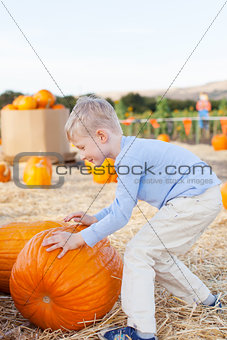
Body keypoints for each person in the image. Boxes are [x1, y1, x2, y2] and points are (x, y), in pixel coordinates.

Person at [42, 96, 223, 340]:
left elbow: (121, 217)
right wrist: (96, 218)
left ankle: (141, 331)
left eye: (83, 147)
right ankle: (206, 302)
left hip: (194, 199)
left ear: (101, 136)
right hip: (201, 197)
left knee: (138, 251)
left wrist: (79, 239)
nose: (82, 155)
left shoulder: (129, 159)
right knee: (156, 255)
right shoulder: (130, 152)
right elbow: (122, 204)